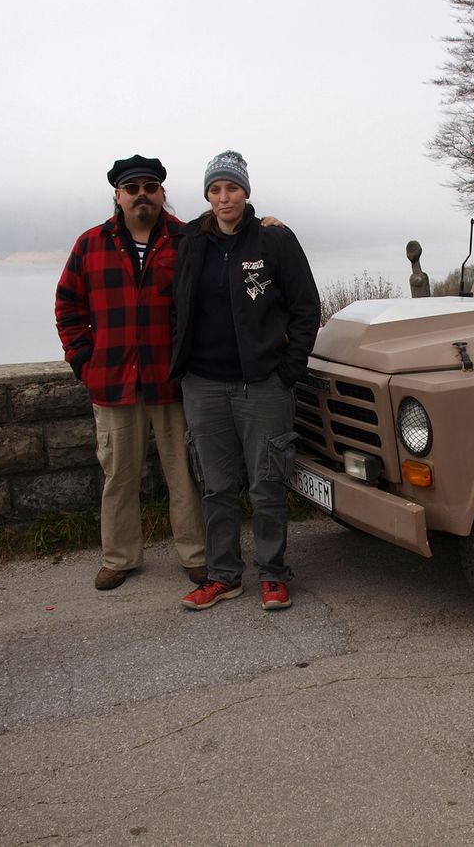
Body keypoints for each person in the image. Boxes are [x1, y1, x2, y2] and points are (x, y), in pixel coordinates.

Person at [172, 151, 321, 611]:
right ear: (206, 196)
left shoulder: (274, 239)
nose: (224, 198)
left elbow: (305, 308)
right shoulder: (192, 242)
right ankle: (224, 575)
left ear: (246, 191)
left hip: (262, 385)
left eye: (231, 188)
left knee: (266, 484)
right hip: (203, 384)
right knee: (216, 486)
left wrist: (287, 371)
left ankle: (273, 574)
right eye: (215, 190)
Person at [55, 155, 207, 590]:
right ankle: (119, 557)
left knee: (184, 474)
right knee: (119, 476)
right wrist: (83, 361)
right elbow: (68, 307)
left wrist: (270, 223)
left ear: (161, 193)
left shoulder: (187, 240)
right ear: (118, 196)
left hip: (172, 381)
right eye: (132, 187)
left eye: (150, 186)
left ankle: (194, 555)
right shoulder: (91, 244)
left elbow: (232, 252)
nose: (142, 194)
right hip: (114, 383)